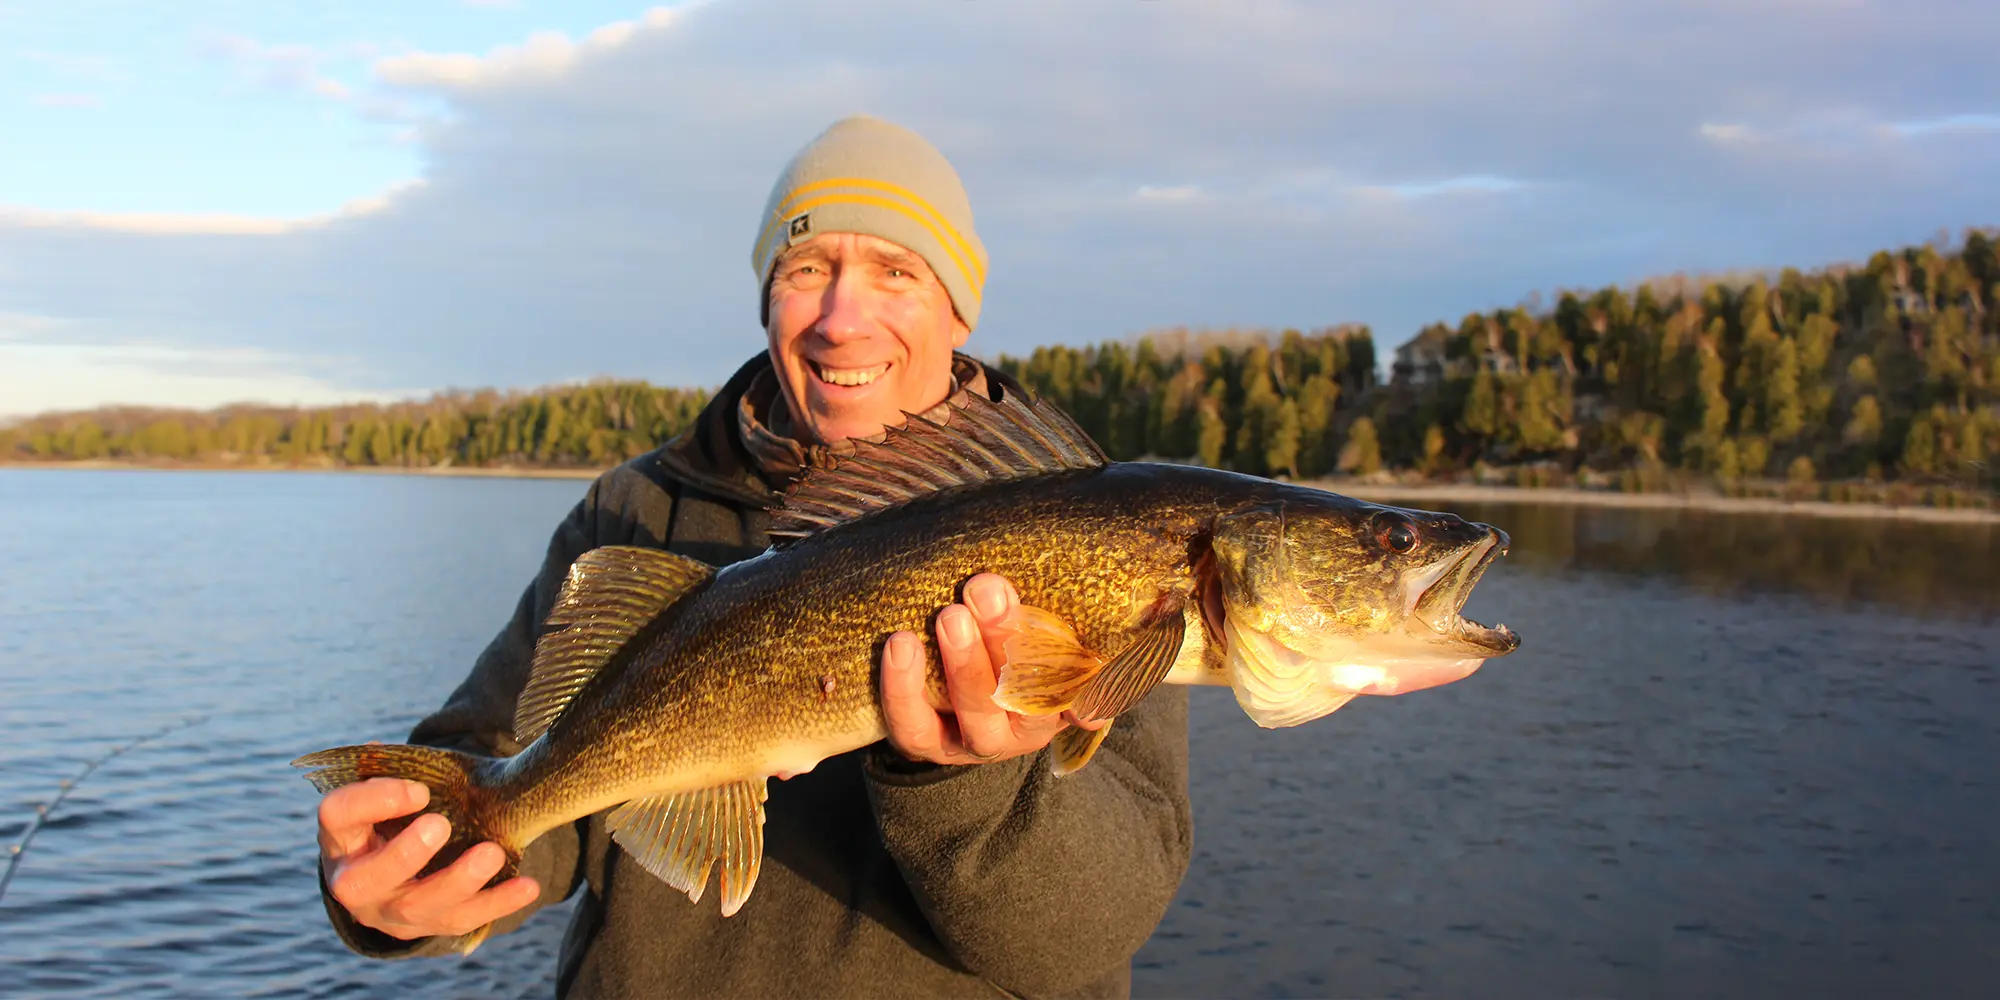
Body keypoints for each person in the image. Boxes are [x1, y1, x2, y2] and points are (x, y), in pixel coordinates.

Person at [309, 115, 1193, 998]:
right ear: (769, 299)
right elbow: (520, 779)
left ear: (958, 307)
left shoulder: (1099, 528)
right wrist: (404, 880)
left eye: (897, 271)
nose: (845, 320)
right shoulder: (635, 511)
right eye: (808, 270)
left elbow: (1085, 936)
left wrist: (966, 780)